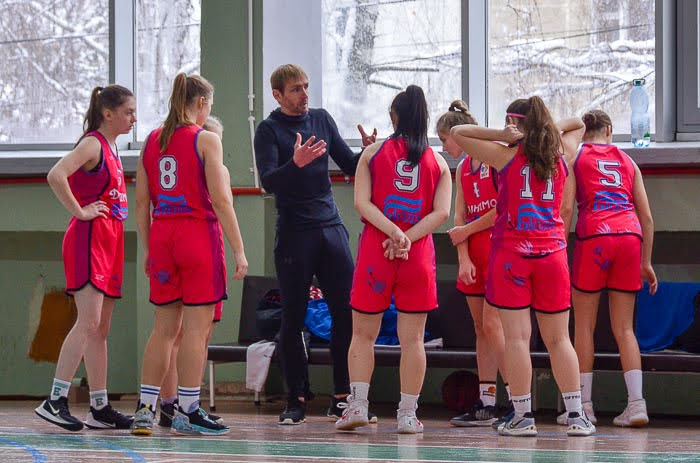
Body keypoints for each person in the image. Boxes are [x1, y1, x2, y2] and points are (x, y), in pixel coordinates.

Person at [451, 96, 595, 437]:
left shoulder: (505, 155)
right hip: (553, 256)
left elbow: (458, 132)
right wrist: (545, 132)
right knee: (560, 338)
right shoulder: (560, 153)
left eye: (509, 122)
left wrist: (504, 134)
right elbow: (580, 123)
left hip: (513, 255)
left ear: (515, 124)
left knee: (516, 338)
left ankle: (522, 416)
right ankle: (576, 415)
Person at [254, 64, 376, 425]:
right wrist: (295, 163)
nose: (304, 95)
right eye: (295, 89)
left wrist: (367, 153)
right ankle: (297, 399)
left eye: (306, 87)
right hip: (295, 231)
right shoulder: (269, 129)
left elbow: (350, 165)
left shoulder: (321, 119)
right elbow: (268, 183)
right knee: (293, 318)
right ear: (278, 94)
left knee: (345, 311)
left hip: (330, 226)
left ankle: (341, 397)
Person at [131, 73, 248, 436]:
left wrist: (149, 248)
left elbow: (141, 202)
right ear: (200, 103)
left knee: (164, 330)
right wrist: (239, 248)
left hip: (163, 234)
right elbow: (221, 199)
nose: (208, 111)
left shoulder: (151, 140)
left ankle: (145, 410)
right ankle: (188, 409)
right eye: (209, 105)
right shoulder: (205, 139)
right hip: (197, 235)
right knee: (196, 332)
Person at [335, 85, 452, 434]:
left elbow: (361, 203)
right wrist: (407, 237)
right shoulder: (440, 162)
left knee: (362, 334)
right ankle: (407, 414)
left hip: (377, 249)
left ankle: (357, 405)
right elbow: (442, 213)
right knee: (413, 340)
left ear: (394, 117)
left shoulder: (372, 153)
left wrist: (392, 233)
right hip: (416, 254)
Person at [36, 85, 136, 431]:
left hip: (110, 238)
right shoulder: (92, 143)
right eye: (128, 112)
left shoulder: (111, 147)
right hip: (88, 238)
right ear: (108, 114)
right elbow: (55, 175)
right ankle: (56, 399)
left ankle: (99, 406)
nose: (134, 118)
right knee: (89, 322)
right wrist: (79, 211)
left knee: (101, 329)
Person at [554, 109, 657, 428]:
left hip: (594, 237)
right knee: (624, 328)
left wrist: (559, 245)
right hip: (630, 237)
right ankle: (637, 404)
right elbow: (648, 218)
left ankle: (584, 406)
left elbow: (568, 206)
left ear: (584, 132)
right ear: (610, 130)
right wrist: (646, 262)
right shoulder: (628, 161)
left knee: (583, 327)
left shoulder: (577, 156)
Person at [436, 101, 511, 427]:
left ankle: (518, 399)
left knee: (495, 327)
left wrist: (466, 230)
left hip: (500, 250)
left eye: (444, 139)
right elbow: (459, 217)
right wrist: (464, 257)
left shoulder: (497, 157)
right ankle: (487, 401)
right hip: (475, 254)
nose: (443, 147)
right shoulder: (464, 168)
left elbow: (504, 210)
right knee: (481, 329)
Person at [157, 116, 227, 429]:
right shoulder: (206, 166)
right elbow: (222, 206)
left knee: (196, 334)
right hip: (201, 246)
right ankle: (173, 403)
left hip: (201, 245)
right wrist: (240, 250)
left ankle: (186, 402)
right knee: (182, 334)